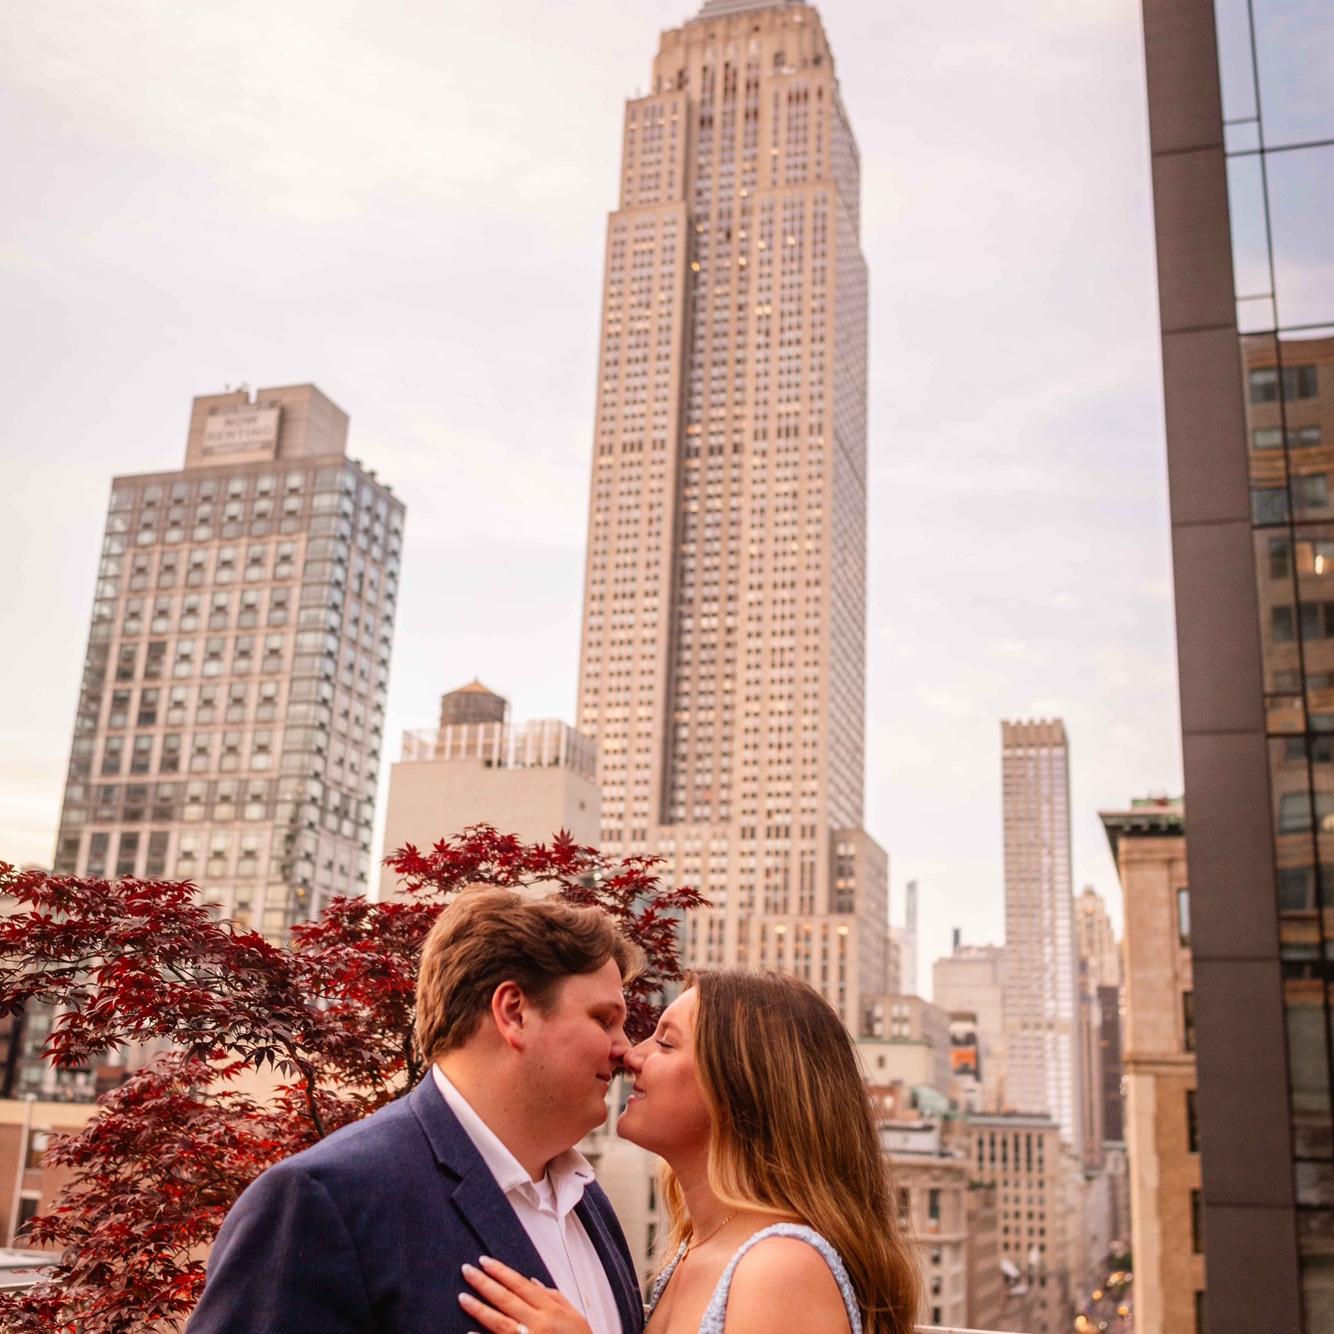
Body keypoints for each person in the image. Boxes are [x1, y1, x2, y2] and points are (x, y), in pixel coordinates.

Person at [188, 885, 646, 1334]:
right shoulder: (325, 1202)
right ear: (514, 1012)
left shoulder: (589, 1203)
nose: (625, 1049)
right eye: (604, 1019)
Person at [460, 969, 921, 1334]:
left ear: (738, 1086)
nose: (631, 1056)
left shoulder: (781, 1269)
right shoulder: (693, 1250)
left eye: (665, 1043)